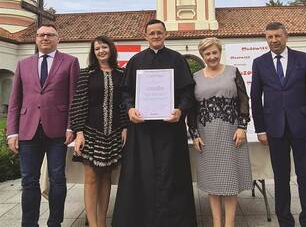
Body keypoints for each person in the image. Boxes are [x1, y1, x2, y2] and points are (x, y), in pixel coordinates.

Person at [111, 19, 197, 227]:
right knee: (142, 173)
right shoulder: (136, 61)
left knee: (172, 174)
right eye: (152, 33)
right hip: (142, 130)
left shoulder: (177, 60)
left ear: (165, 35)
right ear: (146, 36)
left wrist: (181, 110)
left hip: (170, 129)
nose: (156, 36)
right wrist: (130, 108)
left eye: (159, 33)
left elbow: (187, 92)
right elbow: (125, 92)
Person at [250, 22, 306, 227]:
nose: (274, 40)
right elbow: (255, 99)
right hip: (275, 130)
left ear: (286, 36)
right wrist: (261, 129)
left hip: (302, 127)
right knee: (281, 179)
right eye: (269, 37)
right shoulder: (260, 63)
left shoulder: (303, 59)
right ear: (266, 39)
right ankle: (285, 221)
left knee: (305, 178)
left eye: (277, 36)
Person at [6, 24, 80, 227]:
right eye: (40, 35)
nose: (45, 38)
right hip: (27, 130)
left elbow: (74, 98)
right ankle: (29, 223)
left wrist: (70, 126)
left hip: (58, 132)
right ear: (36, 39)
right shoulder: (23, 64)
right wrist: (12, 132)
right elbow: (15, 101)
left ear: (58, 39)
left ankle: (55, 222)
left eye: (49, 35)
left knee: (57, 179)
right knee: (29, 180)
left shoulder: (70, 62)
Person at [188, 37, 253, 227]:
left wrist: (242, 127)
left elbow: (243, 100)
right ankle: (217, 223)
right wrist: (194, 134)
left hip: (231, 133)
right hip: (206, 135)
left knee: (230, 181)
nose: (212, 56)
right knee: (212, 182)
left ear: (220, 52)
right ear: (202, 56)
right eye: (207, 54)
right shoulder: (196, 77)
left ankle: (230, 224)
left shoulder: (233, 72)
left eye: (214, 52)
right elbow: (192, 108)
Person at [70, 35, 128, 227]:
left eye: (104, 47)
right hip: (91, 132)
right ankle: (93, 224)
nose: (101, 51)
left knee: (106, 178)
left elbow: (124, 103)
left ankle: (103, 222)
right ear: (93, 52)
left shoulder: (121, 73)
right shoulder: (86, 74)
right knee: (91, 178)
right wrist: (78, 131)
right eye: (97, 49)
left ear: (111, 49)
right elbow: (78, 102)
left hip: (114, 133)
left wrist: (125, 126)